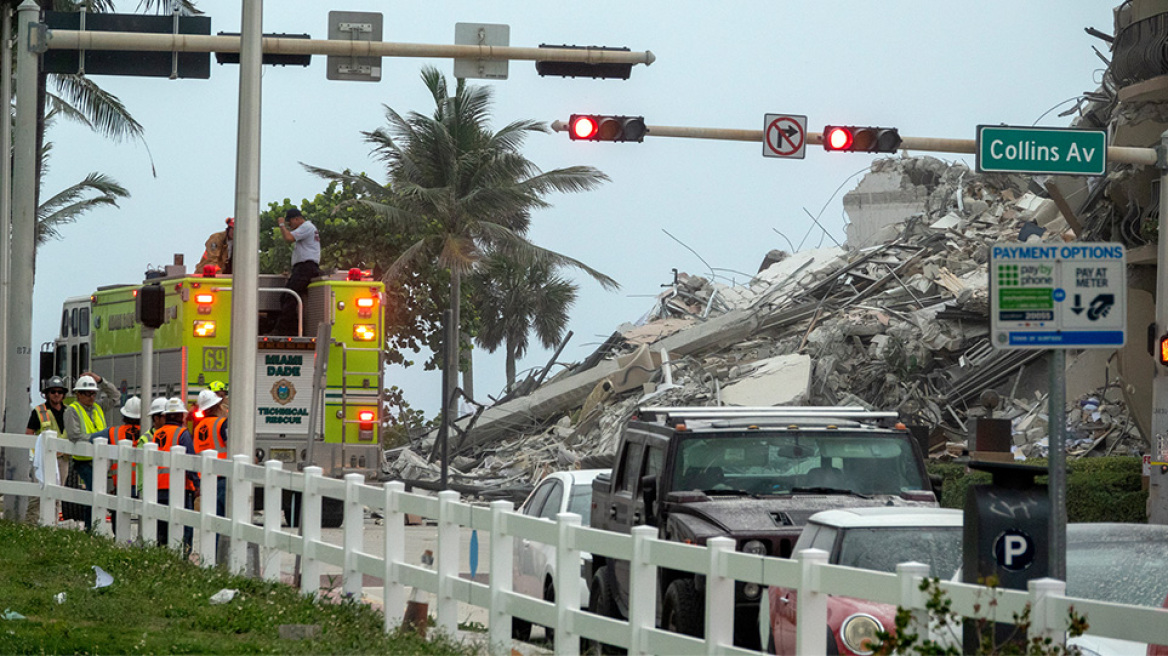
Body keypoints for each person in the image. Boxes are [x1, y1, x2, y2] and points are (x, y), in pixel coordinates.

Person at [63, 372, 119, 530]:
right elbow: (74, 435)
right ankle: (91, 527)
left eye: (93, 393)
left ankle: (93, 527)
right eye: (87, 394)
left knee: (96, 491)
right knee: (94, 490)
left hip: (100, 460)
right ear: (78, 394)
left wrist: (101, 380)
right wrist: (98, 437)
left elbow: (115, 396)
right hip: (83, 461)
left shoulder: (98, 407)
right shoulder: (72, 410)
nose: (91, 397)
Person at [151, 397, 198, 555]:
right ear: (180, 415)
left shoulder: (157, 434)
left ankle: (162, 555)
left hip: (159, 486)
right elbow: (190, 462)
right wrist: (197, 484)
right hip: (179, 488)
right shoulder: (182, 434)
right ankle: (182, 557)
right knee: (184, 525)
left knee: (162, 526)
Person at [88, 396, 142, 530]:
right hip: (143, 483)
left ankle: (120, 540)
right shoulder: (148, 432)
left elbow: (92, 439)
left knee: (119, 515)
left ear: (124, 416)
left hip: (122, 483)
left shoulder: (113, 432)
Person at [25, 376, 70, 522]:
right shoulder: (39, 411)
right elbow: (29, 434)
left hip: (63, 460)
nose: (56, 394)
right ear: (47, 394)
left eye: (59, 391)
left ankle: (53, 524)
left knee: (57, 496)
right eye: (52, 391)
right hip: (43, 460)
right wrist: (36, 454)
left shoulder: (69, 412)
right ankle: (30, 525)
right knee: (37, 495)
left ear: (63, 394)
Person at [274, 207, 320, 336]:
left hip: (306, 267)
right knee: (286, 296)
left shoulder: (306, 227)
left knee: (290, 296)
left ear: (297, 219)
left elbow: (288, 238)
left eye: (290, 223)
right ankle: (292, 327)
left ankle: (284, 330)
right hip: (303, 267)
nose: (290, 226)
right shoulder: (307, 228)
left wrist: (281, 225)